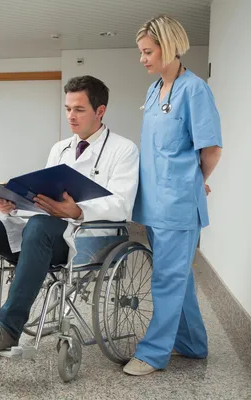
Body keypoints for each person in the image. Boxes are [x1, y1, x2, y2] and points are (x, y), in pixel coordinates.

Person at [0, 75, 140, 353]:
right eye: (67, 108)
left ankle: (7, 329)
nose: (71, 116)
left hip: (91, 236)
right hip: (46, 233)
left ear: (99, 111)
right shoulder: (60, 149)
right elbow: (44, 198)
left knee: (40, 227)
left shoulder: (124, 150)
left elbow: (122, 204)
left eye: (79, 109)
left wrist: (78, 210)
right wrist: (14, 203)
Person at [124, 15, 223, 376]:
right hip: (154, 202)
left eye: (148, 52)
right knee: (176, 276)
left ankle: (152, 354)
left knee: (166, 278)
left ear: (169, 47)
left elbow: (211, 149)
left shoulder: (194, 89)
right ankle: (193, 344)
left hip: (178, 205)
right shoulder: (154, 91)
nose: (143, 59)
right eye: (142, 52)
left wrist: (195, 181)